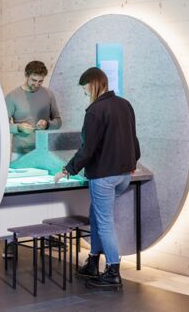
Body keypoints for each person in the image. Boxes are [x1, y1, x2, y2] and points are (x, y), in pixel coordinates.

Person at [54, 67, 140, 290]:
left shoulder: (95, 111)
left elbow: (87, 149)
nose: (85, 94)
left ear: (93, 84)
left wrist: (67, 170)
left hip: (104, 175)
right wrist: (133, 163)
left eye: (85, 90)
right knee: (96, 213)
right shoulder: (125, 104)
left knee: (104, 222)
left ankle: (112, 271)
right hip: (124, 175)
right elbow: (133, 139)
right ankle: (93, 261)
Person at [6, 60, 62, 161]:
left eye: (40, 81)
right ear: (26, 75)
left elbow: (58, 122)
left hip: (44, 150)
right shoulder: (12, 97)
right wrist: (19, 128)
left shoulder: (48, 94)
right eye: (34, 80)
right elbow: (2, 126)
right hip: (19, 152)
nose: (37, 84)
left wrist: (47, 125)